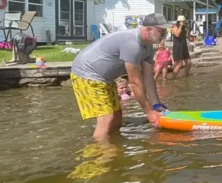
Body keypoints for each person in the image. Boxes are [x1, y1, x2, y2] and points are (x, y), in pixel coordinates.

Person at [70, 13, 169, 141]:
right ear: (148, 29)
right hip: (86, 74)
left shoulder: (148, 47)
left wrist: (156, 104)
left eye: (165, 31)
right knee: (107, 117)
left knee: (116, 117)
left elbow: (149, 78)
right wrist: (149, 113)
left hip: (105, 79)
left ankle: (113, 145)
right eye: (161, 31)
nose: (164, 34)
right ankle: (101, 154)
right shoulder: (132, 43)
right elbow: (134, 82)